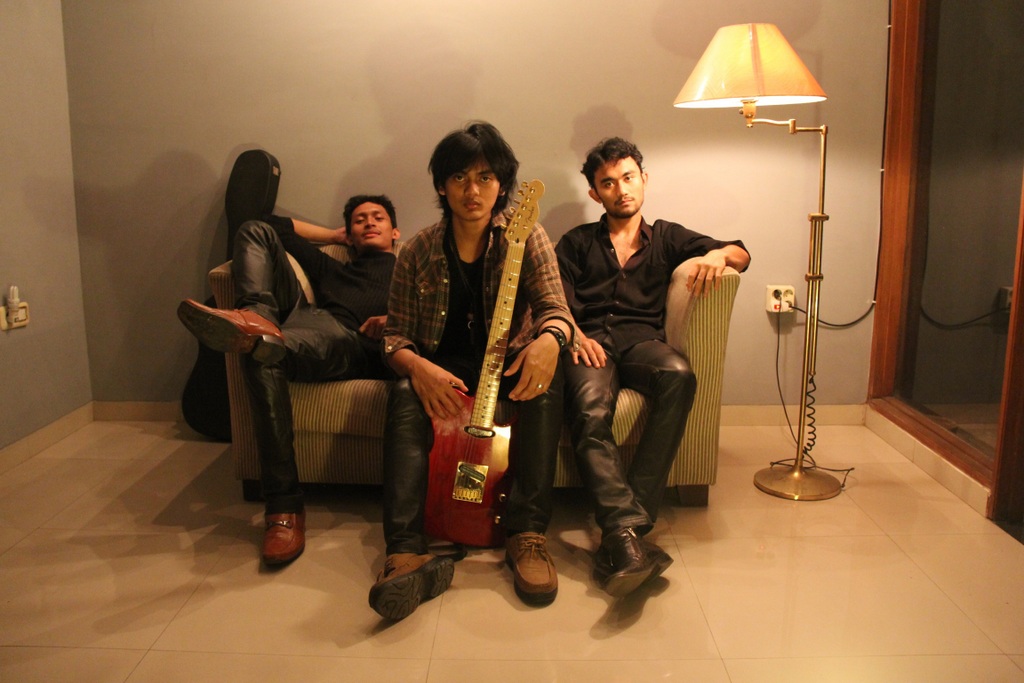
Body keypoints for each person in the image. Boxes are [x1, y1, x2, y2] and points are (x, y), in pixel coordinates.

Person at [369, 121, 574, 621]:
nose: (472, 190)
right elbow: (395, 336)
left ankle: (527, 534)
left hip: (509, 361)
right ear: (442, 186)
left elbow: (555, 308)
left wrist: (551, 339)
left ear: (503, 185)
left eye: (485, 177)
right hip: (445, 367)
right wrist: (416, 367)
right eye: (459, 177)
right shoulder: (417, 250)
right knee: (403, 393)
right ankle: (404, 549)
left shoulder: (526, 237)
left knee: (547, 383)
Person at [556, 137, 750, 597]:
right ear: (595, 194)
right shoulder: (577, 242)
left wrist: (717, 255)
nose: (621, 189)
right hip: (591, 345)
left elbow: (740, 252)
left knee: (679, 375)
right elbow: (555, 299)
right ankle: (627, 536)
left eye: (628, 177)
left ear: (644, 179)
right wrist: (576, 336)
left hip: (643, 343)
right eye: (608, 183)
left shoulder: (667, 236)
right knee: (589, 409)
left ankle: (627, 526)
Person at [177, 195, 400, 565]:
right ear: (350, 234)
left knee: (262, 350)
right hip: (308, 322)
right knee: (255, 230)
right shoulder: (331, 268)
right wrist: (333, 236)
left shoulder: (412, 267)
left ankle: (284, 506)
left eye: (378, 217)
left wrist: (395, 320)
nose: (369, 222)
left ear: (395, 232)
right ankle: (255, 316)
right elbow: (268, 222)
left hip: (348, 341)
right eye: (360, 220)